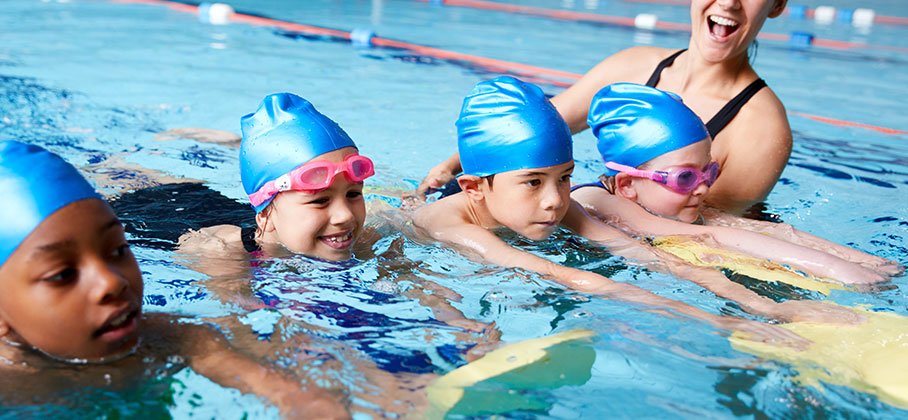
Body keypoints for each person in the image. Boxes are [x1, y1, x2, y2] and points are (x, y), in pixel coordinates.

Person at [408, 76, 816, 340]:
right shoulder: (448, 224)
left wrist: (764, 305)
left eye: (565, 177)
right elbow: (563, 274)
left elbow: (645, 254)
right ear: (475, 187)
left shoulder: (553, 206)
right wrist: (719, 323)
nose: (555, 199)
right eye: (533, 182)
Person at [0, 140, 347, 418]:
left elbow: (301, 401)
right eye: (62, 274)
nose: (111, 282)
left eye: (117, 250)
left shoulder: (173, 338)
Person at [418, 0, 792, 213]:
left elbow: (699, 233)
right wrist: (448, 168)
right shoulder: (634, 65)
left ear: (777, 5)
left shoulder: (760, 127)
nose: (728, 2)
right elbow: (537, 125)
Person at [570, 83, 901, 291]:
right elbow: (708, 236)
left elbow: (747, 227)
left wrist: (865, 262)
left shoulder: (668, 205)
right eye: (685, 178)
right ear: (627, 184)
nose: (702, 188)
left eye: (708, 172)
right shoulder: (595, 201)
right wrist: (834, 270)